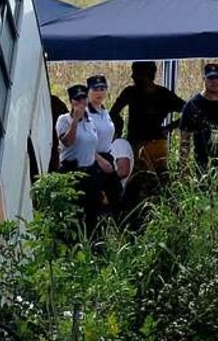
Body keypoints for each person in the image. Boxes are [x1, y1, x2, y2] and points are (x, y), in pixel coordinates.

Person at [110, 61, 185, 173]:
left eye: (135, 73)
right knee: (147, 177)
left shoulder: (162, 94)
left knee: (150, 177)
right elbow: (113, 113)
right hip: (141, 143)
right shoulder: (132, 92)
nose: (132, 76)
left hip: (150, 144)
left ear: (145, 75)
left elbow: (189, 111)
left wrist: (169, 127)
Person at [55, 84, 101, 227]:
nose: (81, 102)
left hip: (90, 171)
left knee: (92, 211)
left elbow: (91, 145)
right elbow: (68, 142)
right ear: (71, 101)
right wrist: (75, 119)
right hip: (72, 170)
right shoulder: (64, 120)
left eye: (83, 98)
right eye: (77, 99)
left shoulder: (90, 120)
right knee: (73, 213)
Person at [86, 75, 123, 217]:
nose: (99, 92)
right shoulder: (85, 113)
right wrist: (99, 160)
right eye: (95, 89)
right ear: (88, 91)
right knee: (98, 202)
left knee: (116, 197)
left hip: (107, 158)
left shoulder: (104, 112)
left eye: (102, 88)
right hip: (92, 160)